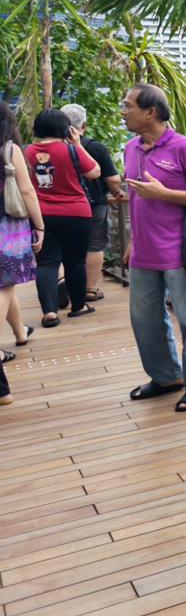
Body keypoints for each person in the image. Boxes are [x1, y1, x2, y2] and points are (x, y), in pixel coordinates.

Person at [120, 84, 186, 413]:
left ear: (150, 112)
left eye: (128, 106)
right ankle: (166, 377)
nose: (123, 111)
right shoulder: (131, 148)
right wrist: (133, 240)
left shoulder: (184, 148)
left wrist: (165, 194)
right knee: (144, 319)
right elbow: (137, 199)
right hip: (144, 253)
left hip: (182, 252)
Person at [26, 108, 101, 327]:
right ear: (66, 128)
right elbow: (95, 171)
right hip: (76, 213)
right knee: (75, 262)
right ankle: (78, 306)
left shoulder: (27, 152)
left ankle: (49, 312)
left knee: (46, 263)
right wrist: (77, 145)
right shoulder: (70, 150)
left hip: (42, 215)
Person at [0, 102, 44, 405]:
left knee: (7, 284)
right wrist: (39, 226)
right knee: (4, 284)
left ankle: (20, 332)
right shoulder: (9, 148)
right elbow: (28, 191)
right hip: (8, 227)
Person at [61, 103, 125, 302]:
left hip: (59, 206)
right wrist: (117, 191)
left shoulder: (51, 147)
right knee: (95, 245)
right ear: (84, 125)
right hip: (93, 204)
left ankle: (62, 286)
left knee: (64, 247)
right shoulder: (94, 147)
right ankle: (89, 289)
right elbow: (113, 179)